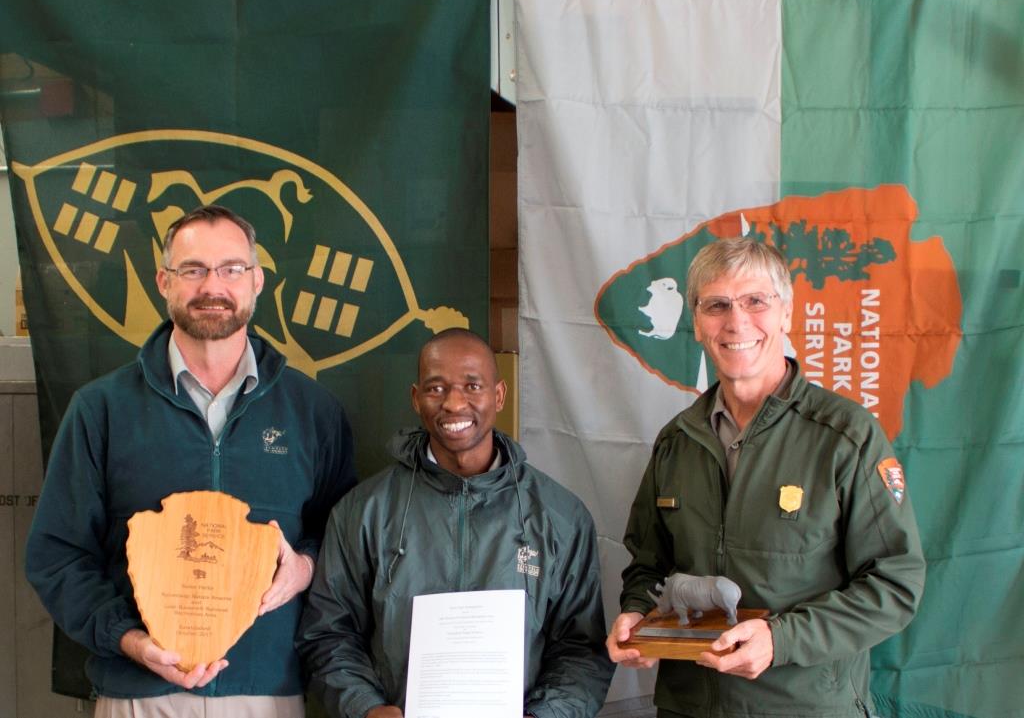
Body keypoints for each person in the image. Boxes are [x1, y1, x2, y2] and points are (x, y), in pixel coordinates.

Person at [26, 205, 356, 718]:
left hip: (266, 693)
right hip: (139, 694)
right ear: (164, 281)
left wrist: (305, 567)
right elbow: (57, 555)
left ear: (257, 281)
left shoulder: (313, 411)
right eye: (193, 269)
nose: (213, 286)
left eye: (231, 268)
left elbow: (344, 539)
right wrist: (131, 641)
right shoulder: (101, 409)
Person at [607, 236, 926, 718]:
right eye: (717, 305)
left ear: (787, 314)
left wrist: (780, 639)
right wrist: (636, 613)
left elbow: (894, 585)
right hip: (688, 706)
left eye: (756, 301)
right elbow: (648, 566)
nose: (737, 321)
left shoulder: (846, 436)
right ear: (696, 322)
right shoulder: (676, 442)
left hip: (806, 706)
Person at [298, 328, 614, 718]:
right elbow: (328, 633)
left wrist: (546, 716)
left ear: (498, 395)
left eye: (471, 385)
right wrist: (367, 709)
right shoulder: (363, 512)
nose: (453, 403)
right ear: (416, 399)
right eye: (436, 388)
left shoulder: (560, 516)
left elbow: (582, 648)